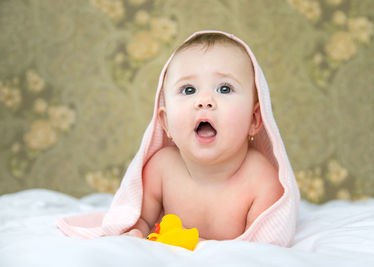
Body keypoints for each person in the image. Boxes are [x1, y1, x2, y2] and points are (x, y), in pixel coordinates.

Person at [57, 31, 299, 247]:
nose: (204, 100)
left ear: (255, 120)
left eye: (224, 88)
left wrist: (200, 246)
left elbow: (263, 250)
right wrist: (136, 233)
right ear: (166, 123)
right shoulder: (161, 169)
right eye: (188, 89)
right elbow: (139, 219)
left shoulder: (263, 180)